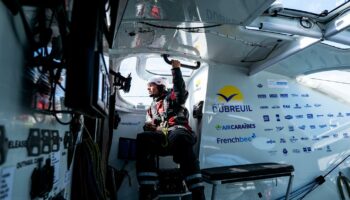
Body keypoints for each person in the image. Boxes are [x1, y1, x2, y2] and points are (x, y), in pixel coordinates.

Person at [136, 60, 205, 200]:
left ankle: (197, 192)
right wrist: (149, 126)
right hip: (161, 137)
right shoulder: (151, 108)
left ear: (160, 86)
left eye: (151, 85)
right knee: (143, 138)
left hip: (177, 132)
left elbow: (180, 92)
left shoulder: (171, 97)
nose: (148, 88)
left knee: (180, 136)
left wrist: (176, 70)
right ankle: (149, 189)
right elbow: (149, 123)